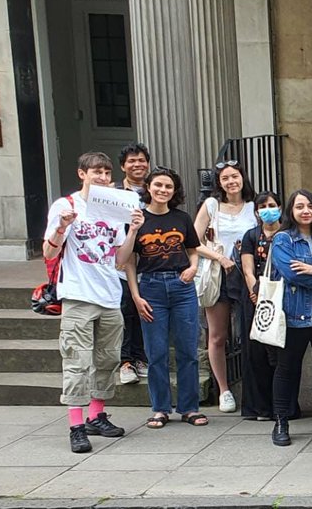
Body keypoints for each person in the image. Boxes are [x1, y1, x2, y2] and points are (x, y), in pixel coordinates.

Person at [44, 151, 137, 453]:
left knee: (107, 359)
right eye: (96, 171)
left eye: (107, 173)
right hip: (78, 295)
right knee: (77, 362)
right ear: (82, 174)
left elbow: (120, 260)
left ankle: (96, 415)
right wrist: (62, 226)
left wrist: (133, 229)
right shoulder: (66, 205)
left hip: (109, 294)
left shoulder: (115, 208)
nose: (103, 177)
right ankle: (75, 424)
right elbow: (48, 252)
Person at [125, 167, 208, 429]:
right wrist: (136, 296)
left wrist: (193, 268)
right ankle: (160, 408)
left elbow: (193, 250)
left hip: (182, 287)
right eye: (158, 185)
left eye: (168, 187)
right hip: (150, 288)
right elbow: (128, 261)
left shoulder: (181, 218)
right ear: (148, 187)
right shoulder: (138, 219)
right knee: (156, 352)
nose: (163, 191)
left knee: (188, 350)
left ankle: (188, 407)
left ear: (174, 191)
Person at [269, 189, 312, 446]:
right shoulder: (283, 239)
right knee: (287, 367)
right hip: (295, 309)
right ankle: (281, 422)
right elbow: (292, 273)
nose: (305, 210)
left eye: (309, 205)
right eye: (299, 206)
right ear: (291, 211)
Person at [192, 160, 258, 413]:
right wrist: (219, 257)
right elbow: (192, 241)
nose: (231, 182)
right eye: (225, 178)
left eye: (235, 176)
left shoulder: (253, 207)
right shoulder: (211, 206)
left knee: (251, 333)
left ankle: (252, 387)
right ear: (219, 184)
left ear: (243, 178)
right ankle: (224, 389)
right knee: (217, 335)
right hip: (219, 274)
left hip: (246, 274)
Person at [239, 191, 282, 421]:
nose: (268, 209)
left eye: (272, 205)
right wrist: (256, 292)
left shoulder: (287, 234)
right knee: (255, 353)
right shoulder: (251, 236)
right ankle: (260, 408)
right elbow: (247, 268)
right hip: (256, 298)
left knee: (279, 356)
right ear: (256, 212)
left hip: (282, 297)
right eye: (263, 206)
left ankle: (282, 406)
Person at [115, 142, 150, 386]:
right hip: (124, 259)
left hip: (150, 259)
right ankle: (125, 361)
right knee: (126, 308)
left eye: (141, 160)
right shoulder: (113, 193)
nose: (137, 165)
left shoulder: (154, 189)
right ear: (123, 166)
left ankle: (141, 358)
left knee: (144, 310)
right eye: (131, 161)